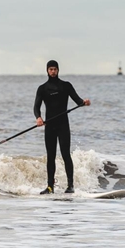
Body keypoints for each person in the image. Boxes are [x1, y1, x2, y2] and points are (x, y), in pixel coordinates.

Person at [34, 60, 90, 193]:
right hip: (50, 126)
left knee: (65, 155)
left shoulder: (66, 86)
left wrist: (84, 102)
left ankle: (70, 186)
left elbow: (78, 101)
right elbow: (36, 107)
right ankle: (50, 187)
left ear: (58, 70)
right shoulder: (42, 88)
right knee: (51, 156)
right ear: (47, 70)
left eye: (55, 69)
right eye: (50, 69)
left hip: (63, 125)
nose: (53, 71)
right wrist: (38, 118)